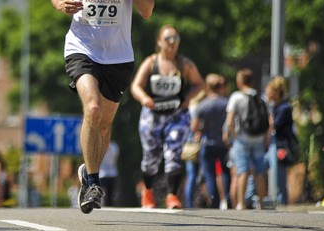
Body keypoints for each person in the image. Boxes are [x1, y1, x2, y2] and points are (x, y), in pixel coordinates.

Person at [50, 0, 155, 214]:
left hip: (118, 56)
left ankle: (89, 169)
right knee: (92, 108)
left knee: (105, 125)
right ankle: (92, 182)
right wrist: (61, 5)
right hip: (81, 46)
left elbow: (147, 10)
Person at [131, 25, 204, 209]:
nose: (172, 42)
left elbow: (199, 84)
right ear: (159, 42)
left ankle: (172, 196)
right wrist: (144, 98)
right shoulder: (151, 62)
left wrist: (188, 99)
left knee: (174, 153)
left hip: (176, 115)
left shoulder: (184, 64)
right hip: (153, 115)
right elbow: (136, 86)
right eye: (168, 39)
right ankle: (147, 192)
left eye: (176, 39)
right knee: (151, 158)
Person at [224, 68, 269, 210]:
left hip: (242, 138)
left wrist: (234, 135)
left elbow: (230, 121)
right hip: (259, 139)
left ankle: (241, 203)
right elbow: (268, 122)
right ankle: (261, 204)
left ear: (239, 81)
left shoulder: (236, 97)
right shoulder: (261, 98)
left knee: (242, 171)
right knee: (260, 172)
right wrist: (266, 140)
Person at [191, 74, 232, 209]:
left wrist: (203, 129)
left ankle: (213, 202)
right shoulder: (226, 103)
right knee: (226, 172)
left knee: (210, 175)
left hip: (208, 144)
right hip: (224, 144)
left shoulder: (203, 105)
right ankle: (227, 199)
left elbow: (194, 127)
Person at [266, 76, 296, 205]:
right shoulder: (275, 107)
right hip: (274, 144)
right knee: (266, 170)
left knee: (280, 175)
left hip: (281, 145)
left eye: (269, 91)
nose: (267, 94)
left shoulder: (284, 108)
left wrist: (270, 121)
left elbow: (274, 125)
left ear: (276, 93)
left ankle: (283, 202)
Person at [98, 140, 119, 207]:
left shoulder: (99, 146)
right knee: (110, 195)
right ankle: (109, 205)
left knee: (101, 193)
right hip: (112, 173)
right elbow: (115, 160)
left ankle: (102, 204)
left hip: (102, 173)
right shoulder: (114, 146)